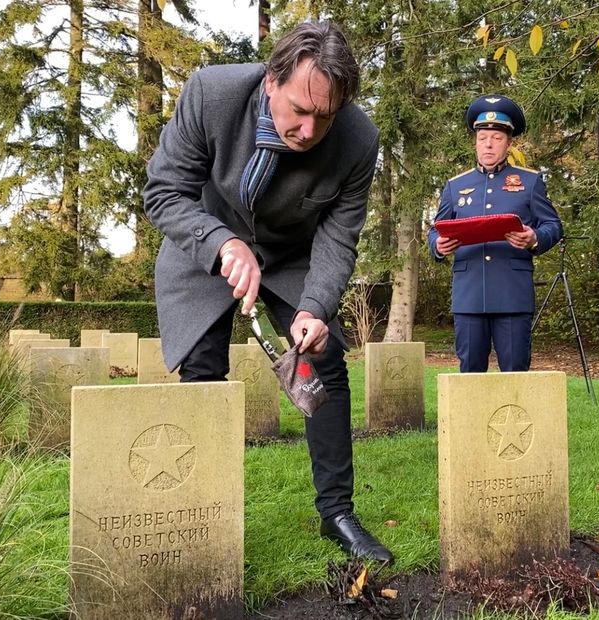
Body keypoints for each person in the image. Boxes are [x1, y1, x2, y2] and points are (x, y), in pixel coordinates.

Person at [143, 22, 392, 564]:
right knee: (202, 369)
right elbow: (164, 191)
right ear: (271, 82)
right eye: (299, 110)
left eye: (324, 117)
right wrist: (222, 243)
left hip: (291, 255)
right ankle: (195, 514)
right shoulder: (212, 93)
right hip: (206, 238)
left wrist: (315, 307)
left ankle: (338, 514)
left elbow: (337, 236)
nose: (308, 130)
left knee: (323, 361)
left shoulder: (357, 139)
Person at [426, 95, 564, 373]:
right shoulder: (455, 186)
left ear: (509, 143)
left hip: (512, 294)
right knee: (470, 376)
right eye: (482, 137)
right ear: (475, 142)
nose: (488, 144)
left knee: (515, 374)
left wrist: (534, 238)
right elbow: (434, 231)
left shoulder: (530, 181)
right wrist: (439, 245)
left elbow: (554, 226)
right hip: (469, 295)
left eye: (496, 138)